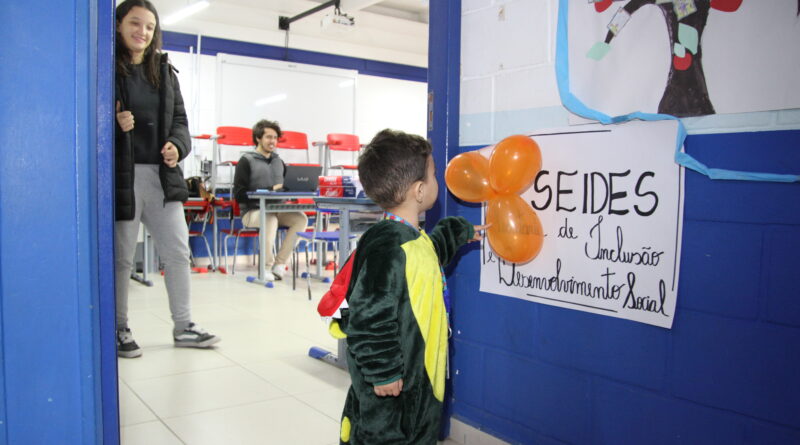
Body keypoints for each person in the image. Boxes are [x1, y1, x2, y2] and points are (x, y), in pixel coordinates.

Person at [336, 129, 486, 444]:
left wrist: (457, 233)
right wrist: (383, 371)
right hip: (393, 391)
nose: (437, 181)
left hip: (418, 380)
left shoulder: (407, 237)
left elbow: (426, 261)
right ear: (419, 190)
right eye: (433, 175)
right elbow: (368, 316)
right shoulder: (390, 245)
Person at [114, 0, 220, 358]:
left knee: (176, 252)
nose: (142, 32)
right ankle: (119, 328)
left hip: (162, 178)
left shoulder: (164, 71)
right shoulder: (106, 68)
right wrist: (113, 123)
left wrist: (177, 145)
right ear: (118, 25)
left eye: (149, 26)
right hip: (123, 176)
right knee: (122, 259)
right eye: (135, 23)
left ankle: (184, 325)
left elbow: (181, 123)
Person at [232, 119, 308, 281]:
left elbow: (285, 187)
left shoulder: (279, 162)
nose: (272, 141)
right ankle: (265, 268)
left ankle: (280, 264)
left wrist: (297, 188)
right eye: (268, 137)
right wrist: (270, 189)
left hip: (277, 209)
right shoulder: (246, 161)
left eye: (275, 137)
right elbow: (239, 194)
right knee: (269, 219)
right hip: (252, 212)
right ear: (258, 138)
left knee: (301, 219)